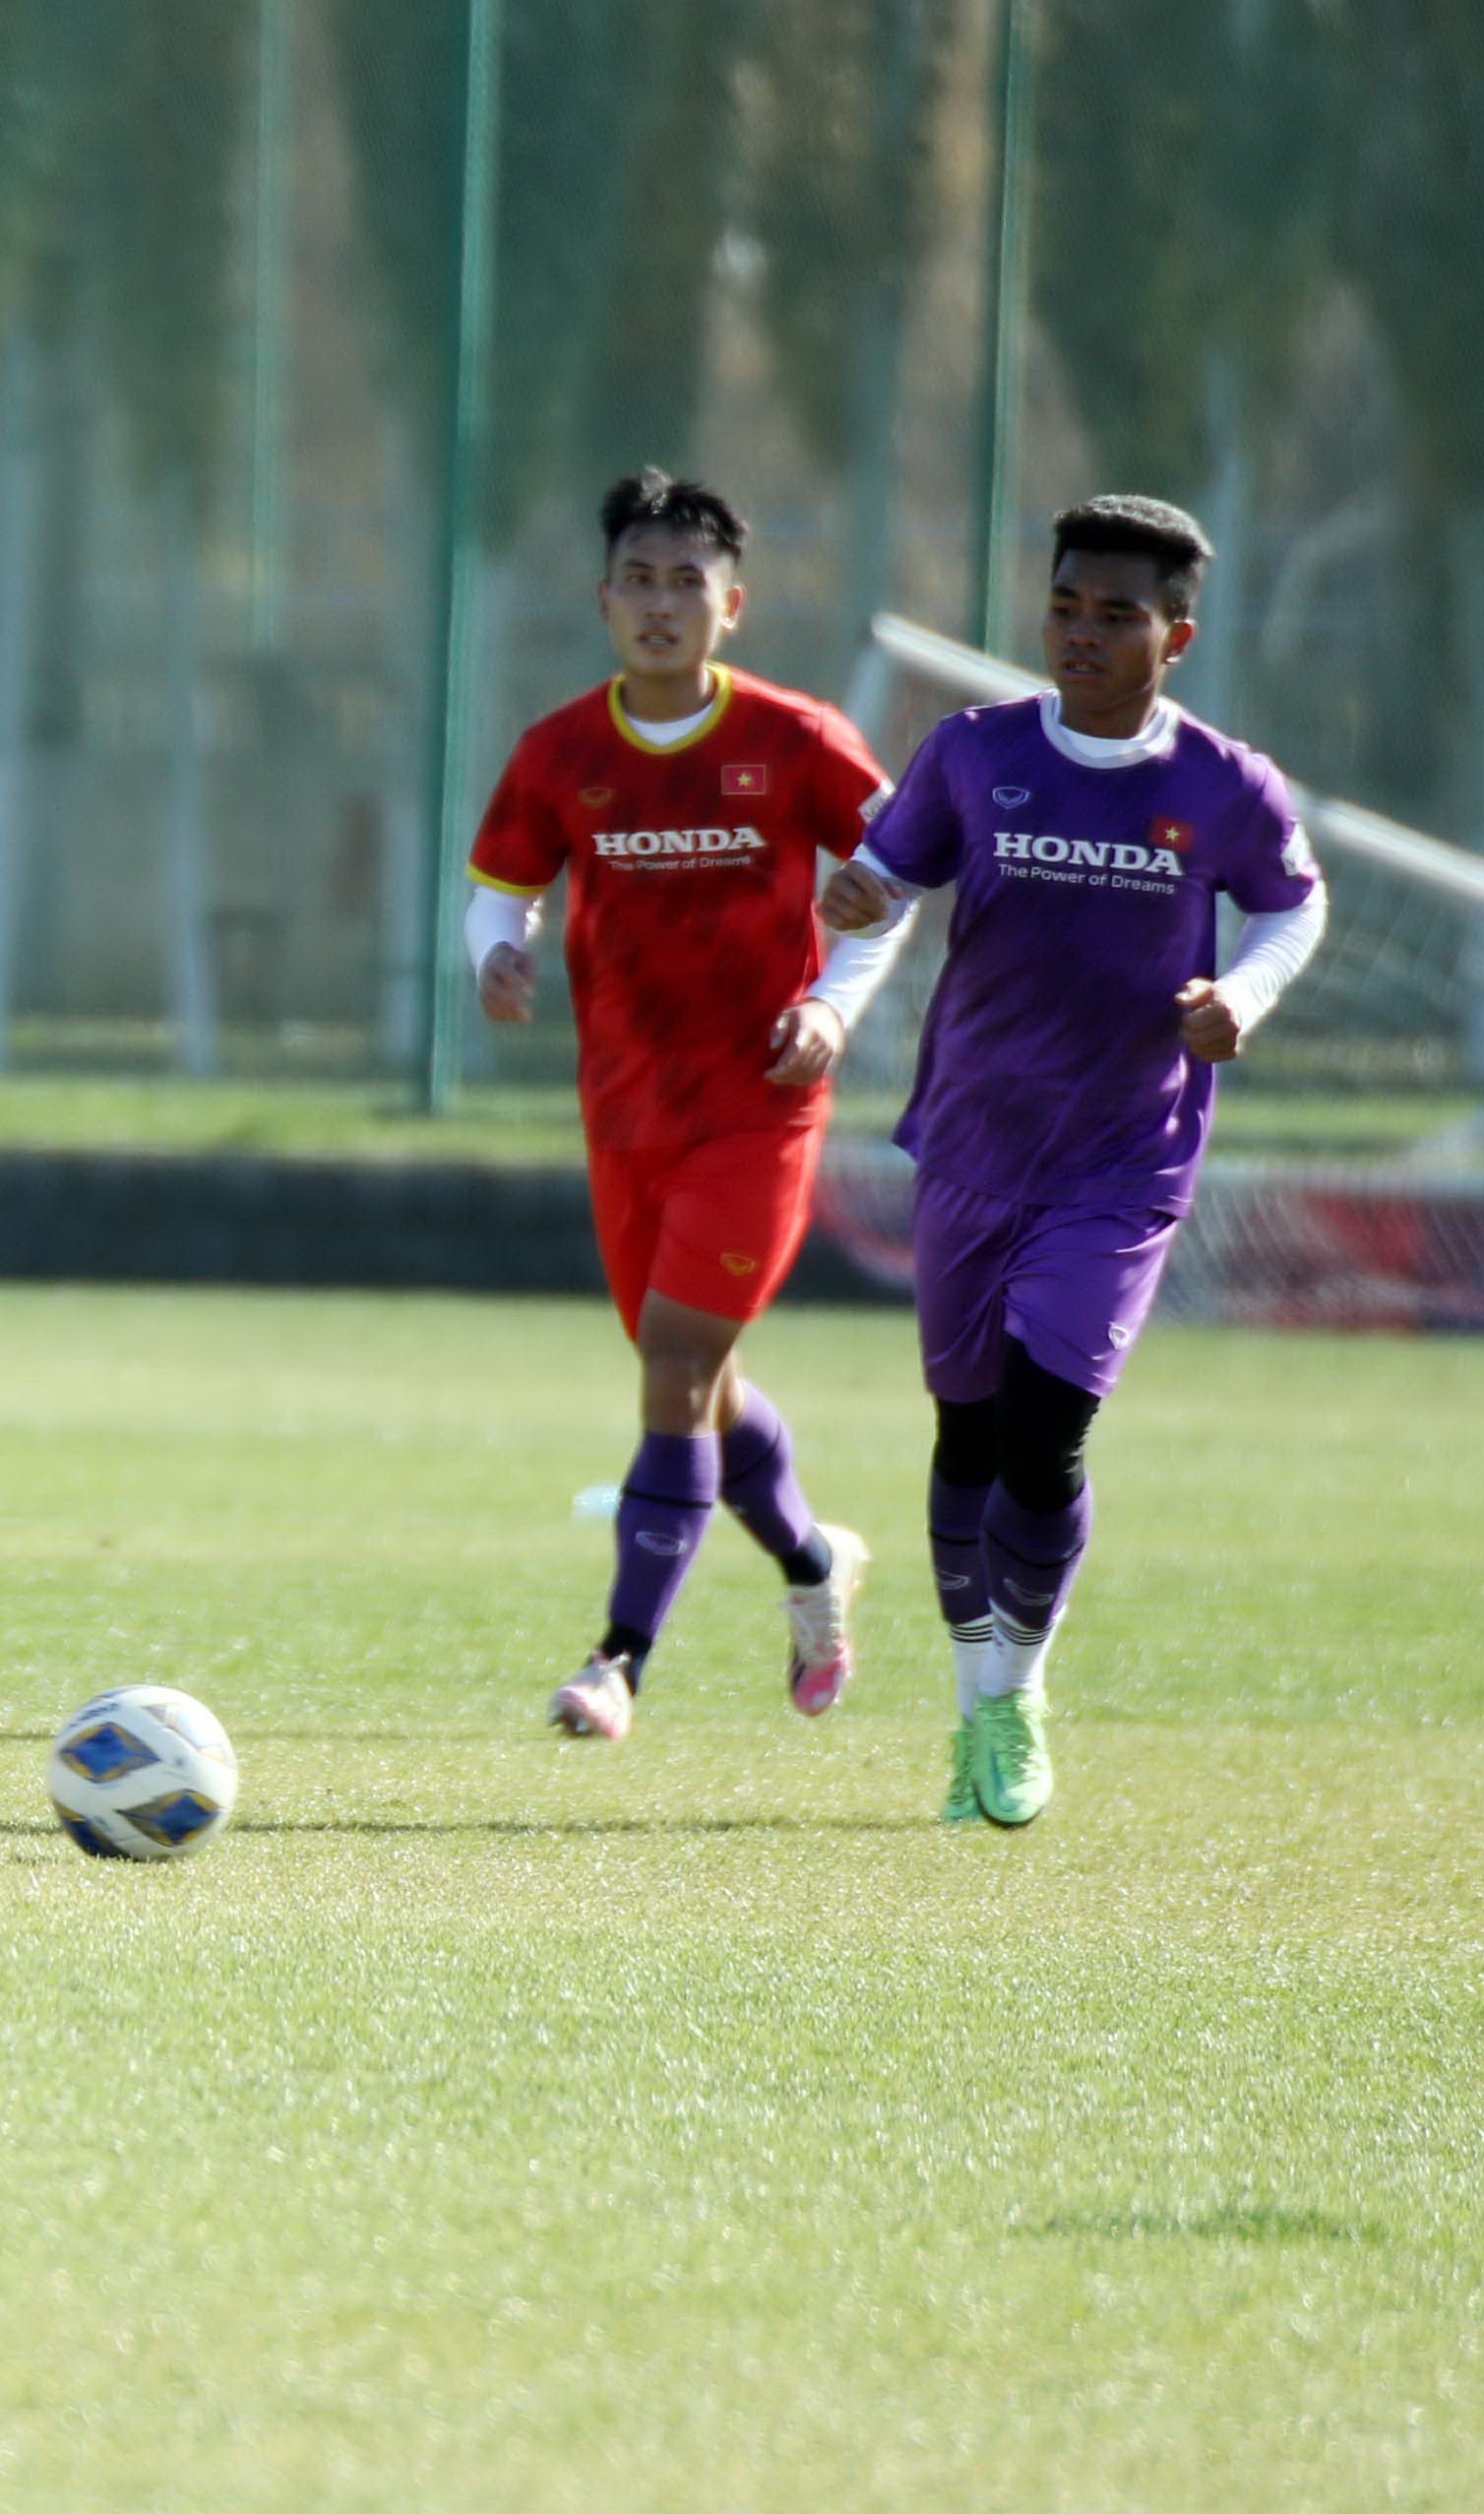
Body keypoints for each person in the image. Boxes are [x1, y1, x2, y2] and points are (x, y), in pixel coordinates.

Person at [819, 494, 1325, 1830]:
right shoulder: (974, 753)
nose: (1082, 634)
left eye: (1117, 616)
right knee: (969, 1430)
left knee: (1048, 1435)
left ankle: (1016, 1698)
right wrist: (850, 913)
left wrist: (1247, 1001)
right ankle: (976, 1698)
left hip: (1123, 1158)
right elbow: (880, 882)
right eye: (1065, 606)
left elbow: (1293, 901)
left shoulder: (1222, 784)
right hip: (972, 1140)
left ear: (1178, 636)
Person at [466, 471, 905, 1740]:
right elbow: (502, 885)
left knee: (672, 1364)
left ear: (734, 606)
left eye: (689, 584)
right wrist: (494, 952)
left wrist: (832, 1009)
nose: (664, 605)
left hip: (761, 1104)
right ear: (605, 601)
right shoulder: (559, 753)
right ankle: (816, 1568)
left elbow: (895, 877)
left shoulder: (799, 740)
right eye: (641, 582)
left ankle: (618, 1663)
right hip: (624, 1107)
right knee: (700, 1380)